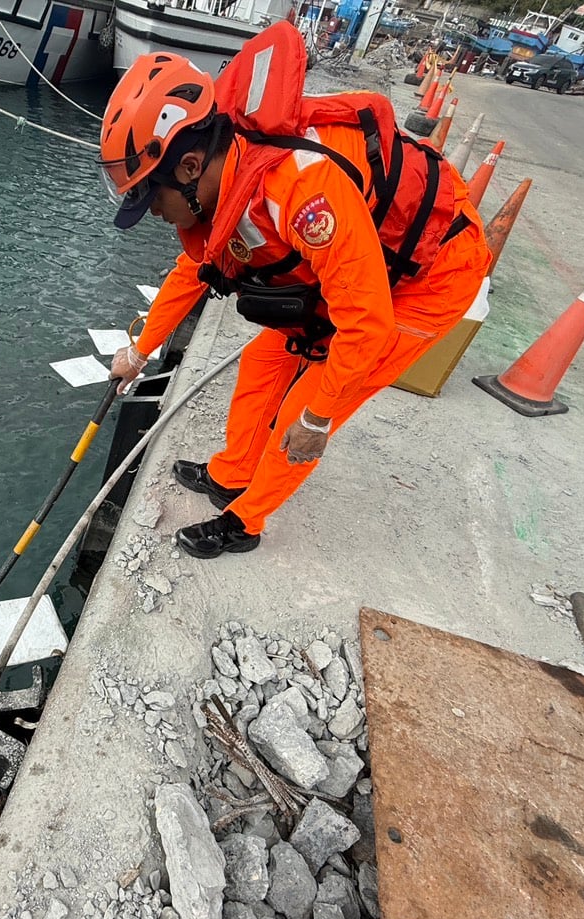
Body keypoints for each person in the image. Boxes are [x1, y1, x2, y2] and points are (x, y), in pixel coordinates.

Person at [99, 27, 491, 558]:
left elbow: (367, 320)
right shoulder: (229, 177)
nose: (154, 216)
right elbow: (190, 272)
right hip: (358, 274)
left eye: (152, 201)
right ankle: (233, 472)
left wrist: (318, 419)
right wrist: (139, 350)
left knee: (306, 407)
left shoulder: (304, 194)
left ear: (191, 167)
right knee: (264, 362)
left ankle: (246, 520)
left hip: (431, 276)